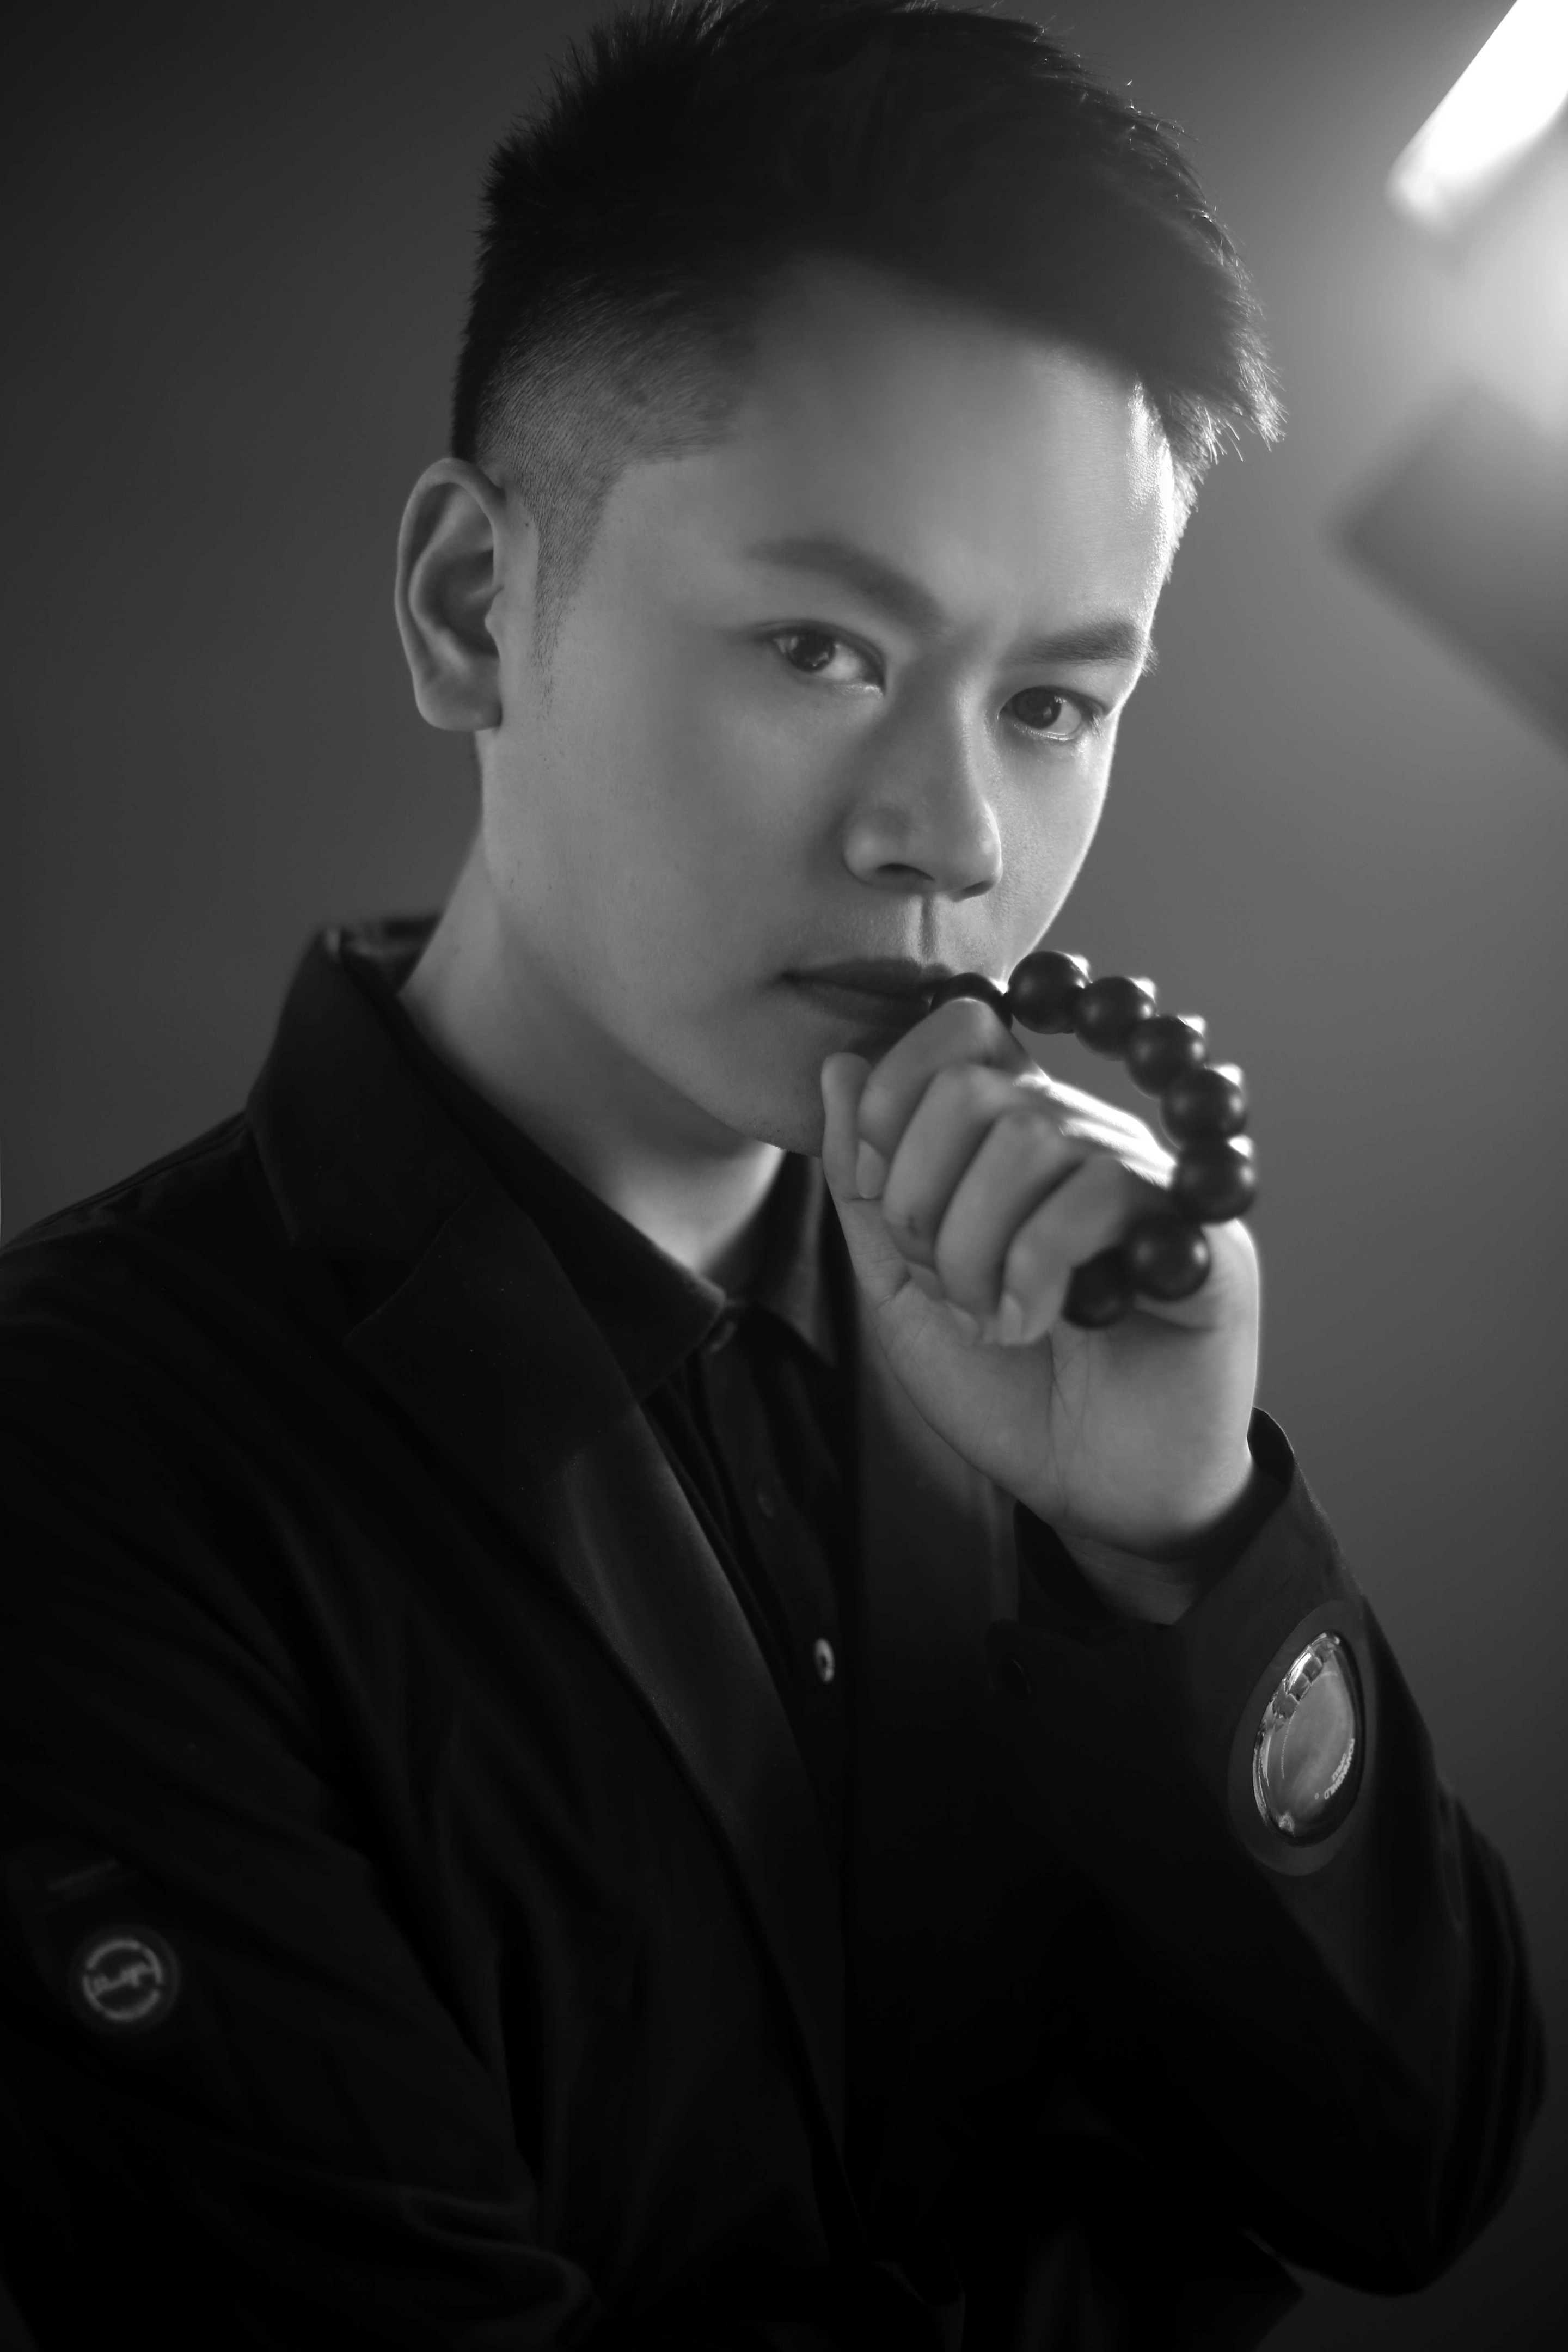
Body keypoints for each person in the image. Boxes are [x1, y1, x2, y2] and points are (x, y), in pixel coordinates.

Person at [0, 2, 1545, 2346]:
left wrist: (1182, 1541)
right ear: (470, 606)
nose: (954, 836)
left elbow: (1415, 2170)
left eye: (1054, 702)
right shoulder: (82, 1465)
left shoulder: (1060, 1313)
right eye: (822, 647)